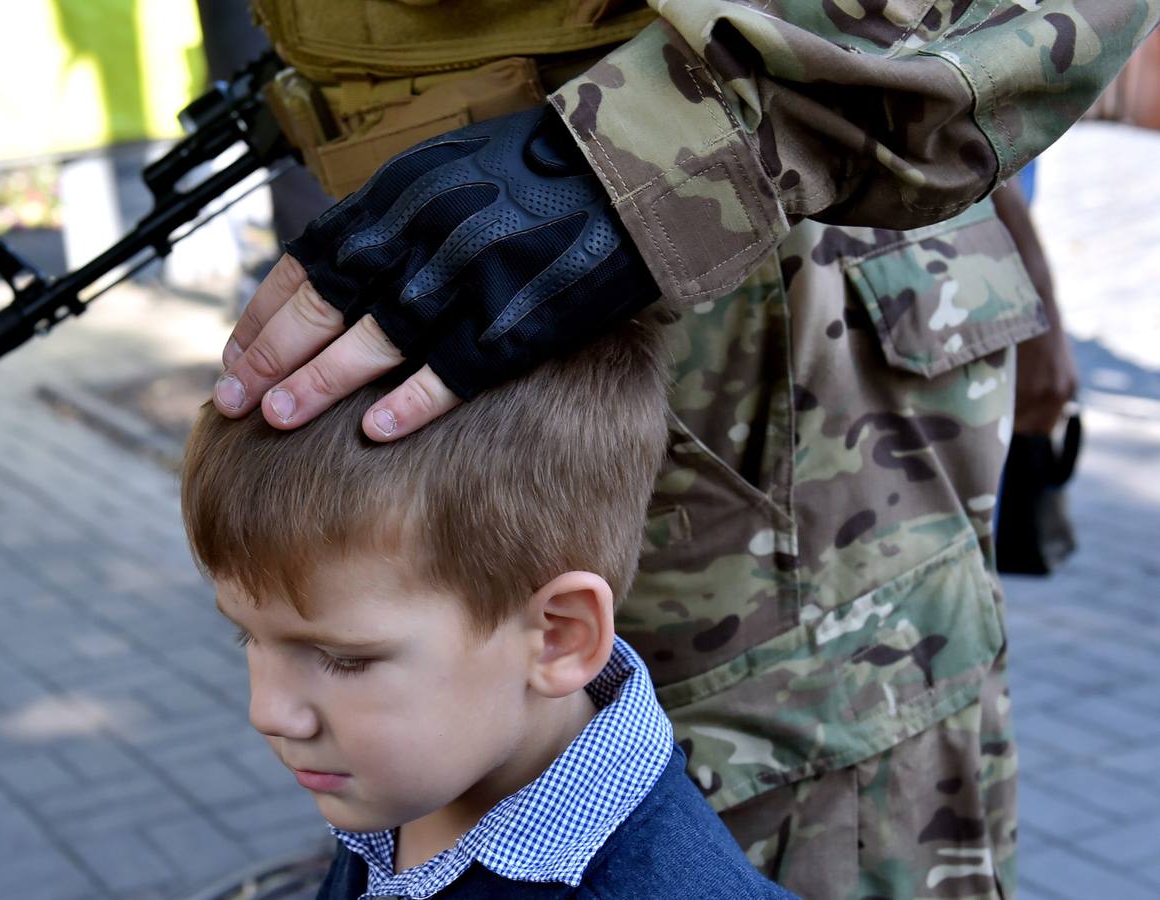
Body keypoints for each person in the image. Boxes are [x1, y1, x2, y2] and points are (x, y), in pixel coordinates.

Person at [210, 3, 1160, 896]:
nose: (261, 713)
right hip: (463, 271)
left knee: (799, 780)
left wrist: (646, 153)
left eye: (339, 661)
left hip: (757, 306)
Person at [180, 317, 794, 899]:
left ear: (559, 637)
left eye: (344, 660)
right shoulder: (420, 777)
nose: (269, 713)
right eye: (248, 638)